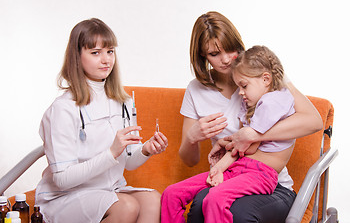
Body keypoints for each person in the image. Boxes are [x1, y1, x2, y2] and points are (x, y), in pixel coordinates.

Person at [172, 11, 323, 222]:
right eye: (214, 54)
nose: (225, 60)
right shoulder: (196, 91)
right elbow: (189, 160)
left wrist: (252, 135)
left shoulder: (258, 73)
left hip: (273, 184)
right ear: (202, 56)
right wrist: (192, 137)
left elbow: (314, 121)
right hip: (230, 177)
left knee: (238, 213)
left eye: (230, 49)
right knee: (199, 207)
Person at [34, 18, 168, 223]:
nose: (106, 60)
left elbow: (129, 162)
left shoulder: (123, 101)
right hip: (66, 196)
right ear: (77, 57)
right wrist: (111, 152)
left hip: (108, 190)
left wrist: (146, 149)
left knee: (153, 200)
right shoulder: (63, 108)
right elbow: (62, 179)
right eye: (95, 52)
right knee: (127, 207)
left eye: (110, 51)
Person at [161, 45, 296, 223]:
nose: (240, 92)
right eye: (214, 54)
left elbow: (247, 145)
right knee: (172, 193)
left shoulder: (274, 101)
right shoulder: (249, 103)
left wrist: (225, 145)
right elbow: (239, 146)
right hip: (239, 166)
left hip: (260, 174)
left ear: (266, 79)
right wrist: (218, 168)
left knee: (215, 198)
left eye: (244, 86)